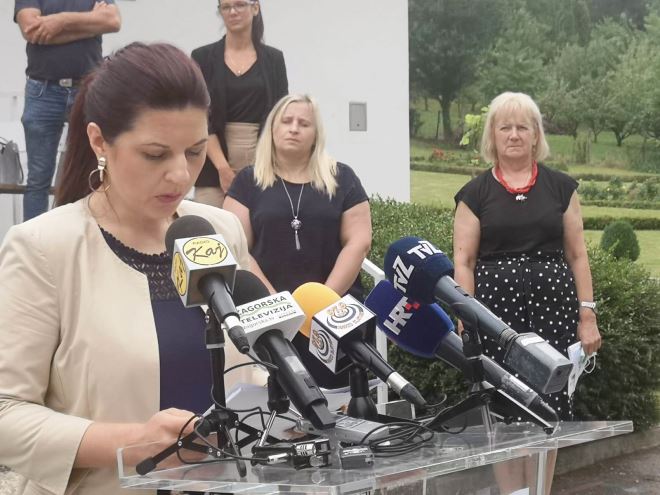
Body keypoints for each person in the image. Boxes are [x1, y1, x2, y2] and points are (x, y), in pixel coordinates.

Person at [0, 42, 265, 495]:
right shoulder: (43, 248)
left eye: (195, 151)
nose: (180, 175)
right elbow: (6, 412)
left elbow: (254, 365)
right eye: (155, 155)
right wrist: (131, 443)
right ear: (99, 141)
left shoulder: (219, 230)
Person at [453, 91, 602, 494]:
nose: (514, 135)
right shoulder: (474, 194)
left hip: (553, 316)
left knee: (549, 410)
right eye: (505, 127)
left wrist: (587, 314)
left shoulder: (561, 188)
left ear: (537, 134)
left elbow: (577, 254)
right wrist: (466, 320)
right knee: (505, 410)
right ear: (492, 135)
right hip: (496, 319)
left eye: (523, 127)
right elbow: (464, 262)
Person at [224, 94, 372, 388]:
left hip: (334, 314)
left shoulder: (342, 178)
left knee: (339, 399)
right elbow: (237, 248)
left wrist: (322, 303)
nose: (294, 128)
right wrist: (278, 306)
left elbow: (359, 242)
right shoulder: (247, 181)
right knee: (276, 398)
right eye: (286, 121)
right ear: (273, 128)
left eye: (304, 123)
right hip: (268, 317)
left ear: (316, 133)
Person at [14, 0, 122, 221]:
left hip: (86, 88)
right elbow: (31, 30)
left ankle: (81, 232)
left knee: (88, 172)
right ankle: (33, 239)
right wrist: (91, 24)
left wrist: (60, 21)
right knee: (38, 179)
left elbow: (112, 21)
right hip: (43, 90)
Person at [192, 0, 288, 208]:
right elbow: (198, 116)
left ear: (255, 7)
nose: (233, 12)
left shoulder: (274, 59)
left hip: (262, 161)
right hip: (213, 162)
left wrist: (263, 163)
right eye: (226, 7)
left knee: (260, 224)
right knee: (211, 223)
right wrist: (223, 168)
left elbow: (280, 114)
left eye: (240, 5)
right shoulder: (202, 57)